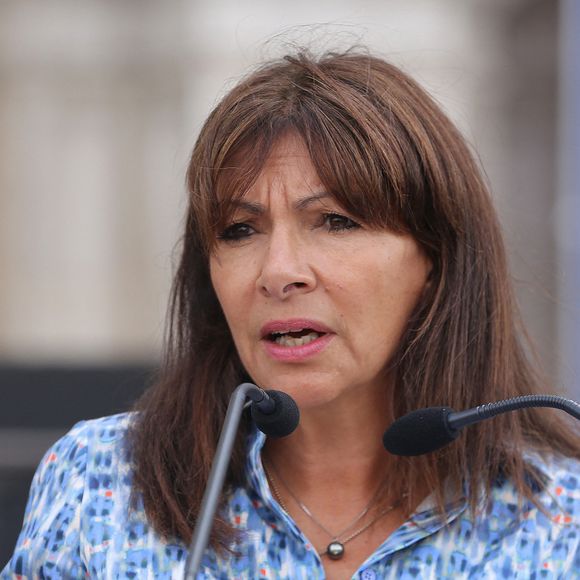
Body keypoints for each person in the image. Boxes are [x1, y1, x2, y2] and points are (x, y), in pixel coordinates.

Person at [2, 49, 579, 579]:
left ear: (434, 260)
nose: (278, 271)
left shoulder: (561, 521)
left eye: (335, 221)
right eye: (240, 229)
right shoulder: (98, 483)